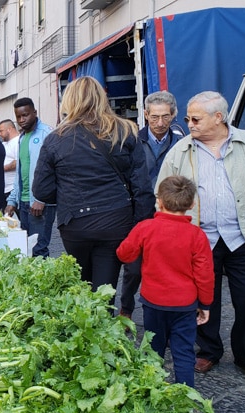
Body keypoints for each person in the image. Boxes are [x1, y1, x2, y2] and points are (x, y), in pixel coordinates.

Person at [156, 91, 245, 382]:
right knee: (205, 298)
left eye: (195, 118)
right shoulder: (181, 150)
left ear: (219, 117)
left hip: (243, 237)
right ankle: (208, 351)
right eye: (188, 118)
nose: (188, 123)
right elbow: (162, 193)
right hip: (199, 239)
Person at [32, 76, 154, 299]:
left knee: (82, 285)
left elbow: (41, 191)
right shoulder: (126, 131)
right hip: (116, 220)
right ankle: (105, 326)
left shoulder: (55, 139)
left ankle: (86, 327)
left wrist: (66, 188)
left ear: (69, 101)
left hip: (75, 222)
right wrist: (141, 225)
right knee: (105, 288)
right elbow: (142, 187)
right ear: (101, 98)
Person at [116, 175, 214, 387]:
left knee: (153, 348)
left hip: (153, 302)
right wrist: (205, 304)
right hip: (185, 305)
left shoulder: (145, 228)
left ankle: (153, 391)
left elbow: (124, 254)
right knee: (184, 352)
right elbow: (205, 275)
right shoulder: (197, 236)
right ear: (192, 204)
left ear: (158, 201)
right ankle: (185, 398)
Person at [119, 90, 186, 320]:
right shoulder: (133, 139)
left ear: (174, 115)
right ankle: (126, 308)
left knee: (168, 265)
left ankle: (164, 313)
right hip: (141, 211)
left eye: (165, 117)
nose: (160, 123)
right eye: (154, 117)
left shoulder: (182, 142)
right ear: (146, 115)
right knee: (134, 267)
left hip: (172, 213)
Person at [4, 97, 56, 257]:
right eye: (18, 117)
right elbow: (20, 172)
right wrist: (13, 201)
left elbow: (54, 170)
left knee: (39, 250)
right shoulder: (21, 138)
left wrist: (41, 199)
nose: (22, 120)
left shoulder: (47, 134)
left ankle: (44, 281)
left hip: (41, 203)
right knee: (26, 248)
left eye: (25, 115)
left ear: (34, 113)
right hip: (24, 203)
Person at [0, 119, 18, 199]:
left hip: (12, 187)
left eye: (1, 131)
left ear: (9, 129)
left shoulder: (17, 142)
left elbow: (17, 162)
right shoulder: (5, 143)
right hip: (4, 188)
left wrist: (0, 169)